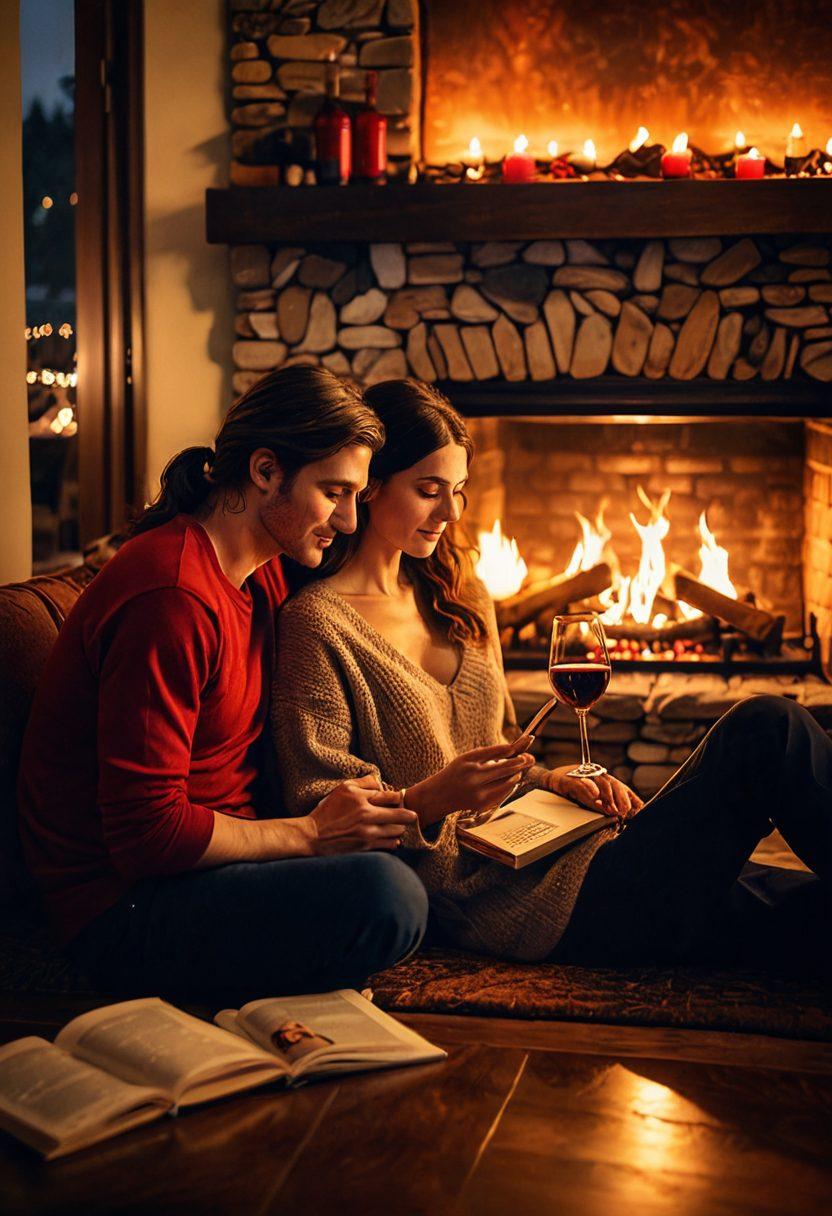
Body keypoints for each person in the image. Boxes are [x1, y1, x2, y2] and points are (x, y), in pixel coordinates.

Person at [273, 379, 829, 972]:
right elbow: (322, 813)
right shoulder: (318, 625)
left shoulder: (462, 595)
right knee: (769, 728)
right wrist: (432, 799)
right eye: (429, 490)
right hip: (530, 909)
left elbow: (504, 760)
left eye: (458, 490)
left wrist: (553, 781)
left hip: (584, 851)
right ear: (370, 484)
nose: (452, 512)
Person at [18, 366, 428, 1003]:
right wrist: (313, 834)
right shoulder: (172, 594)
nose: (348, 521)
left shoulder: (261, 569)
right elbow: (147, 836)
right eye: (334, 492)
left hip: (219, 862)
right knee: (388, 895)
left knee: (397, 860)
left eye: (357, 496)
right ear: (265, 471)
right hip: (123, 908)